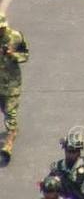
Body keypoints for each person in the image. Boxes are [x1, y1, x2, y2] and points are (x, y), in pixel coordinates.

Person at [0, 11, 28, 162]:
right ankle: (13, 129)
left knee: (11, 113)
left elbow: (25, 56)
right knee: (5, 110)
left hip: (12, 83)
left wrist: (12, 54)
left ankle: (8, 144)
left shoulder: (16, 37)